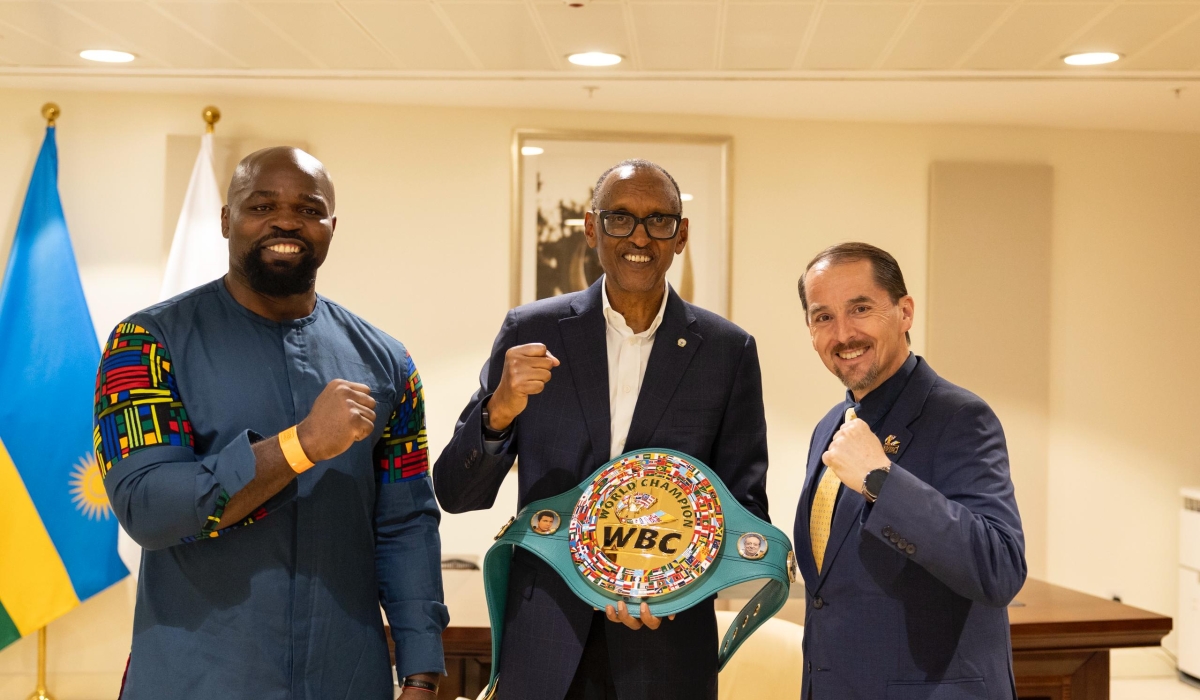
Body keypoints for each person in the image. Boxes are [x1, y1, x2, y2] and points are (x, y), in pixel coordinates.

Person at [95, 147, 447, 699]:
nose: (286, 221)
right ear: (225, 219)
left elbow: (406, 527)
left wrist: (423, 672)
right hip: (199, 675)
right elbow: (148, 507)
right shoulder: (145, 345)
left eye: (309, 209)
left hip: (346, 675)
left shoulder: (389, 363)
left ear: (332, 226)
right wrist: (300, 446)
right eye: (262, 205)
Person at [434, 159, 769, 700]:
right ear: (592, 229)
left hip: (668, 650)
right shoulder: (532, 330)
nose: (639, 236)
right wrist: (498, 409)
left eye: (659, 220)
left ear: (681, 236)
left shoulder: (727, 351)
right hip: (545, 640)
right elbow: (455, 492)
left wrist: (670, 592)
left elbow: (744, 508)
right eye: (620, 219)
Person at [792, 242, 1026, 699]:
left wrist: (881, 480)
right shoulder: (830, 427)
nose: (842, 333)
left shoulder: (958, 416)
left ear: (904, 312)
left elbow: (1000, 567)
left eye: (860, 308)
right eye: (823, 317)